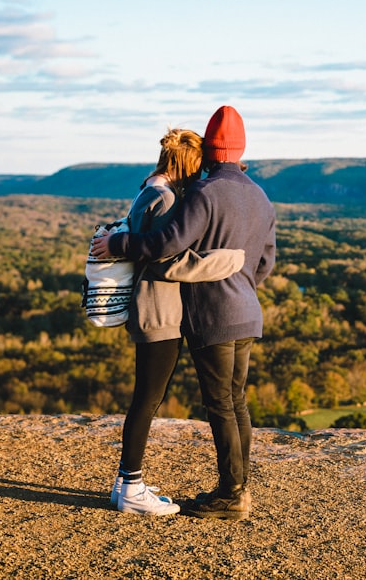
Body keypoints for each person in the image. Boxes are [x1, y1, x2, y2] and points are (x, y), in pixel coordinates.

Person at [92, 106, 276, 520]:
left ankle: (230, 496)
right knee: (237, 403)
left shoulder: (205, 193)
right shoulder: (261, 196)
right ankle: (238, 489)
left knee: (221, 407)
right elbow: (265, 263)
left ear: (210, 149)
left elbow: (165, 245)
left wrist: (120, 245)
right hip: (247, 310)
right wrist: (241, 283)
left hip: (213, 314)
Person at [111, 128, 240, 516]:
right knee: (147, 399)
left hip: (148, 307)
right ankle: (130, 487)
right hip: (159, 311)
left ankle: (126, 483)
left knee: (146, 398)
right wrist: (229, 261)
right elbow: (169, 261)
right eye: (198, 167)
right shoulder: (166, 199)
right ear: (187, 163)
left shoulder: (148, 190)